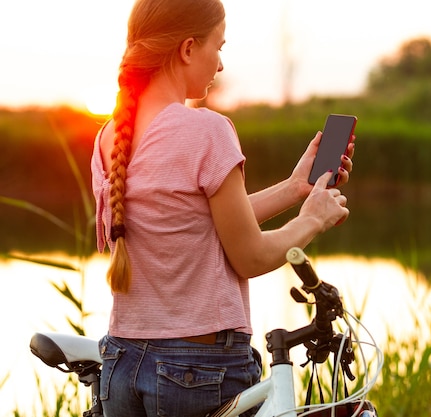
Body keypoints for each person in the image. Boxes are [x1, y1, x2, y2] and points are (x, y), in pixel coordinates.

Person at [90, 0, 355, 416]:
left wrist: (293, 188)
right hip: (197, 370)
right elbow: (250, 257)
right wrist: (312, 220)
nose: (221, 65)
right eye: (219, 46)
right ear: (188, 48)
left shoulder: (109, 139)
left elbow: (190, 222)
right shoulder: (208, 130)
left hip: (122, 364)